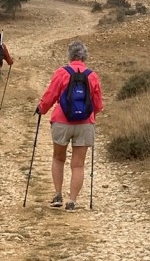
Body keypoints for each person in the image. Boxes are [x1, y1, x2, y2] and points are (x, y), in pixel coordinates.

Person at [35, 40, 103, 211]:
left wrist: (41, 109)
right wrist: (90, 115)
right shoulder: (92, 76)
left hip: (62, 121)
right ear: (85, 56)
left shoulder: (62, 73)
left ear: (70, 55)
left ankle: (58, 195)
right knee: (78, 164)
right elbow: (98, 105)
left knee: (58, 158)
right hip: (85, 124)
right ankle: (72, 201)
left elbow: (51, 95)